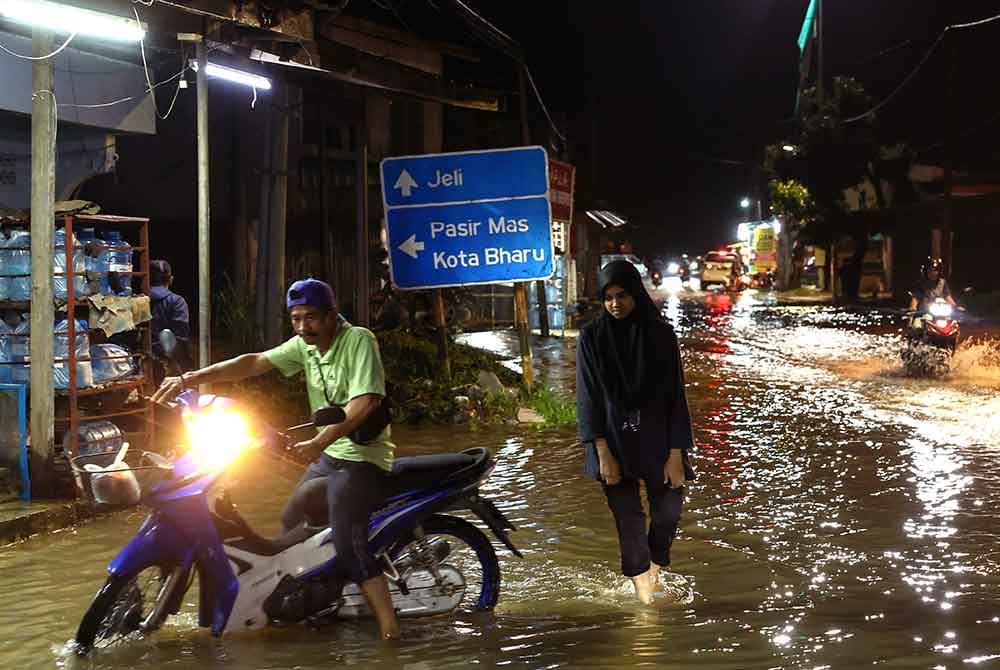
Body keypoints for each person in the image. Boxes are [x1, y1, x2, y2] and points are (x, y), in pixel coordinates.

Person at [151, 278, 400, 640]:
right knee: (292, 519)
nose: (303, 327)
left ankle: (390, 632)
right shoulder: (305, 345)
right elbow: (254, 363)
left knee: (349, 543)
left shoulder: (359, 340)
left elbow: (365, 402)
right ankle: (312, 598)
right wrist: (191, 379)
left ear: (332, 315)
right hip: (329, 453)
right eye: (296, 319)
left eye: (311, 318)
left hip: (363, 458)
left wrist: (318, 441)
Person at [576, 260, 696, 604]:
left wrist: (676, 452)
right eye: (608, 297)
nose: (615, 304)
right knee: (628, 519)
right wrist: (601, 452)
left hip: (658, 439)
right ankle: (644, 595)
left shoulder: (660, 334)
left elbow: (675, 394)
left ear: (636, 294)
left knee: (669, 511)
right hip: (611, 441)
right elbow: (588, 396)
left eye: (623, 295)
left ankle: (654, 569)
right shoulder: (592, 337)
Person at [149, 260, 191, 376]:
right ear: (170, 279)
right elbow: (181, 336)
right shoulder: (177, 301)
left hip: (137, 359)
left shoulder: (136, 299)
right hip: (166, 363)